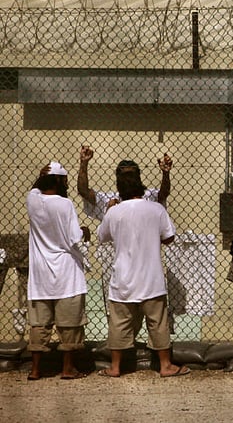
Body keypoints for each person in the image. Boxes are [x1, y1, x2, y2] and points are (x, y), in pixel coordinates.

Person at [95, 172, 189, 378]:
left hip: (123, 279)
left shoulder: (114, 211)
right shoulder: (156, 209)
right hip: (151, 278)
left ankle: (115, 367)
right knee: (157, 322)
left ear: (120, 190)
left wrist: (109, 211)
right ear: (142, 188)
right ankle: (165, 365)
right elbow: (169, 238)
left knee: (119, 323)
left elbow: (102, 236)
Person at [26, 161, 91, 380]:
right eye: (64, 179)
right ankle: (67, 368)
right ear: (59, 180)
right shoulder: (65, 205)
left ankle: (35, 369)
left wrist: (39, 175)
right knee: (69, 324)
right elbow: (74, 238)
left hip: (40, 273)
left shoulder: (32, 201)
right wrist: (85, 233)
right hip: (66, 272)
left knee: (39, 323)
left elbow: (34, 189)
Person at [77, 145, 172, 221]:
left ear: (138, 178)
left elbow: (163, 194)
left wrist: (166, 173)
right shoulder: (111, 200)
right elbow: (84, 191)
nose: (128, 180)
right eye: (124, 177)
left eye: (131, 176)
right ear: (118, 179)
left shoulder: (147, 197)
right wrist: (84, 163)